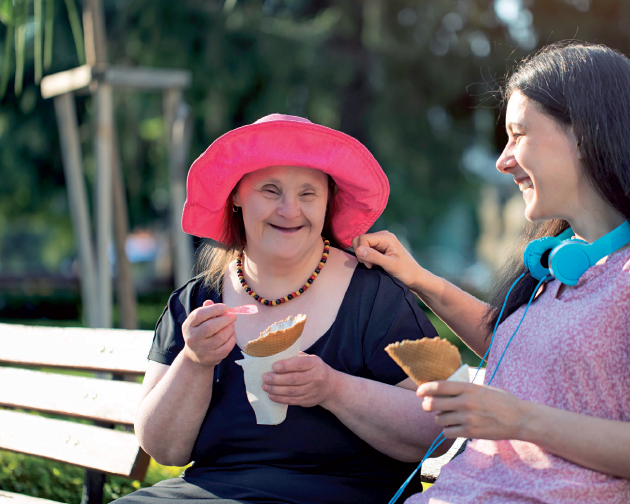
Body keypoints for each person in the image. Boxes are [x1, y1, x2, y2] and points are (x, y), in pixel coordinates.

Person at [353, 41, 630, 504]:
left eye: (517, 135)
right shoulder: (562, 264)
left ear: (585, 133)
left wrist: (518, 419)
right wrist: (418, 278)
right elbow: (519, 352)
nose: (502, 161)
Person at [117, 114, 445, 504]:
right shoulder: (195, 300)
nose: (290, 210)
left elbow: (443, 426)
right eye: (270, 191)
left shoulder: (381, 298)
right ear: (237, 195)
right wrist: (194, 361)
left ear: (328, 201)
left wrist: (334, 389)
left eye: (308, 194)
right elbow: (164, 449)